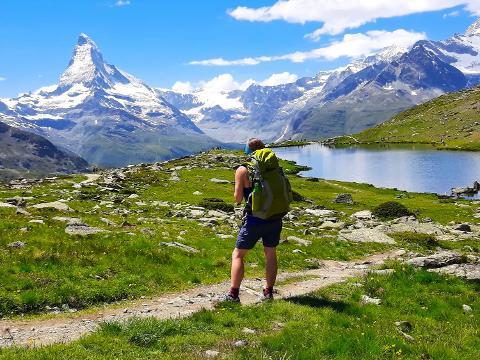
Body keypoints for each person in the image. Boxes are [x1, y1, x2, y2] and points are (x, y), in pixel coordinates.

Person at [223, 138, 284, 302]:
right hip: (275, 216)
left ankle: (233, 294)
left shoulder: (243, 170)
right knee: (270, 253)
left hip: (254, 219)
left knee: (238, 254)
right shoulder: (275, 168)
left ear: (249, 151)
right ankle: (268, 292)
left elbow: (237, 198)